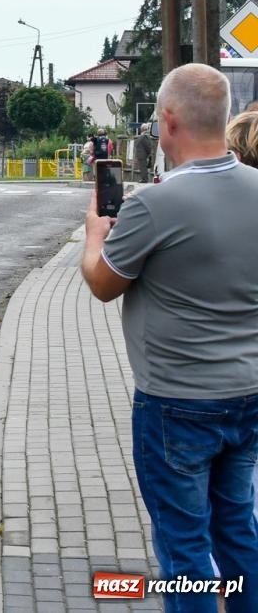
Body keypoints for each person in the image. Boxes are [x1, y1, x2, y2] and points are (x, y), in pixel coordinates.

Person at [82, 64, 258, 611]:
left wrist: (94, 237)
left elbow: (104, 283)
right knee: (238, 529)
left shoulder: (152, 206)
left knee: (185, 547)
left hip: (177, 404)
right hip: (248, 394)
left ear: (169, 122)